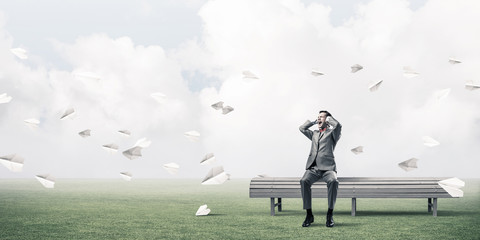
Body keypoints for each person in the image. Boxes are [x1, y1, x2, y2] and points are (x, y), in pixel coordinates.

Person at [299, 110, 342, 227]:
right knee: (304, 181)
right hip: (313, 168)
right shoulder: (314, 134)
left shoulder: (333, 134)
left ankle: (330, 214)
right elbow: (302, 128)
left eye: (321, 117)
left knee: (333, 181)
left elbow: (338, 125)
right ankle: (309, 215)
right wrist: (313, 122)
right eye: (318, 117)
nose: (319, 118)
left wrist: (329, 118)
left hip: (328, 169)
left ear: (327, 121)